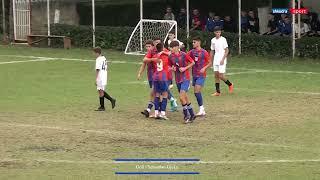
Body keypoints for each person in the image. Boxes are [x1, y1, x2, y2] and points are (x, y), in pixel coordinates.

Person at [169, 41, 196, 124]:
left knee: (181, 97)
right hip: (178, 79)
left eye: (172, 47)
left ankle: (186, 116)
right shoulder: (170, 56)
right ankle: (192, 114)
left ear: (177, 47)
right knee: (184, 97)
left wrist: (185, 68)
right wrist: (172, 68)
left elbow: (192, 62)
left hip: (185, 78)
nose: (170, 49)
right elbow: (170, 66)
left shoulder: (184, 54)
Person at [187, 37, 211, 117]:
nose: (193, 43)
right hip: (194, 75)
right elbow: (185, 58)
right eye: (192, 42)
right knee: (196, 92)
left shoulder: (204, 52)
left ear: (198, 42)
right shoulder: (191, 52)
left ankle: (201, 109)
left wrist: (204, 68)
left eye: (194, 42)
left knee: (197, 90)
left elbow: (210, 63)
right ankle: (202, 109)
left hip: (201, 75)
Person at [210, 27, 234, 96]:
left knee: (221, 76)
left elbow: (227, 50)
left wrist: (223, 59)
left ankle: (230, 84)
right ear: (214, 32)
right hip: (216, 59)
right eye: (217, 32)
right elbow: (212, 50)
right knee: (216, 75)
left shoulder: (223, 39)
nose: (218, 33)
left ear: (220, 32)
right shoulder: (213, 40)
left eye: (219, 32)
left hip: (222, 59)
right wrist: (210, 60)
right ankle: (218, 92)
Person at [93, 47, 116, 111]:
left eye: (94, 53)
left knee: (100, 91)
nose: (94, 55)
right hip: (104, 75)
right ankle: (103, 106)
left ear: (97, 53)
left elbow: (97, 69)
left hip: (100, 76)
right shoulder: (104, 58)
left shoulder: (98, 59)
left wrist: (96, 78)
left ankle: (110, 101)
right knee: (100, 90)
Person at [151, 43, 170, 120]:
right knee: (165, 94)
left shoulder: (155, 56)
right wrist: (163, 52)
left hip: (155, 77)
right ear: (162, 48)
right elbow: (171, 54)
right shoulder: (165, 56)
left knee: (157, 94)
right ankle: (162, 113)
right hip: (162, 77)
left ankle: (156, 113)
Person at [138, 40, 156, 117]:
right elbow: (144, 64)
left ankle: (151, 110)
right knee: (155, 93)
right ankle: (150, 110)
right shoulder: (147, 55)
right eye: (147, 47)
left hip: (157, 76)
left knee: (154, 93)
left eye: (149, 46)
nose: (148, 48)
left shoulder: (156, 53)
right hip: (150, 76)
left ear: (153, 46)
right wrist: (140, 73)